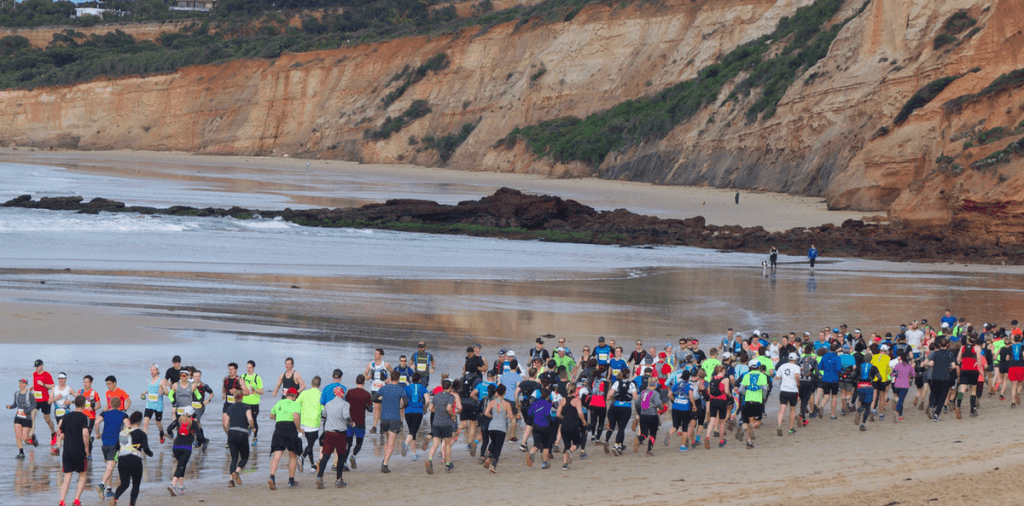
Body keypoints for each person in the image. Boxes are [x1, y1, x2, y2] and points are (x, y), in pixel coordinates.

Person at [113, 411, 153, 506]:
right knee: (136, 484)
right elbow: (146, 449)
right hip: (135, 461)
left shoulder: (123, 433)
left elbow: (116, 447)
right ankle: (131, 504)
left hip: (122, 461)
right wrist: (151, 454)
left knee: (124, 484)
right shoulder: (141, 433)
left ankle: (115, 499)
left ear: (130, 421)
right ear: (140, 421)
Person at [57, 395, 91, 506]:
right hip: (79, 450)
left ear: (74, 403)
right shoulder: (83, 417)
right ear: (84, 404)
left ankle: (62, 501)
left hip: (67, 451)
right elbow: (85, 434)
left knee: (67, 477)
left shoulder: (66, 417)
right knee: (82, 475)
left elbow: (61, 433)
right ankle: (76, 500)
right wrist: (86, 448)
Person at [267, 388, 302, 490]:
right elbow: (296, 417)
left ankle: (272, 476)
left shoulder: (279, 403)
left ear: (286, 395)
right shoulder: (296, 404)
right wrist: (299, 429)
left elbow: (271, 415)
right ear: (295, 396)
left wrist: (279, 417)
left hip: (279, 429)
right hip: (290, 429)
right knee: (292, 455)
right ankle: (291, 480)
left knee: (277, 455)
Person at [317, 386, 351, 489]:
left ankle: (319, 477)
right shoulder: (345, 404)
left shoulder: (328, 404)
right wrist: (351, 423)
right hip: (340, 433)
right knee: (341, 456)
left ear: (334, 393)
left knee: (326, 456)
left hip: (329, 433)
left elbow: (323, 416)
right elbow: (346, 416)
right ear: (343, 393)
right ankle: (338, 479)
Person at [96, 397, 128, 500]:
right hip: (115, 444)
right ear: (120, 405)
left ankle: (109, 489)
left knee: (109, 467)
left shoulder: (104, 413)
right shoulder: (123, 415)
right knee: (110, 467)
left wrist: (97, 433)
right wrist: (123, 436)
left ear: (110, 404)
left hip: (104, 443)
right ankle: (102, 484)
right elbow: (128, 426)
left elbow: (96, 423)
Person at [223, 387, 253, 488]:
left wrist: (229, 432)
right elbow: (250, 419)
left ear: (234, 398)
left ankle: (231, 481)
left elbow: (225, 423)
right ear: (242, 397)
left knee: (234, 458)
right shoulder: (246, 407)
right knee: (244, 457)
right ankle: (237, 471)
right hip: (242, 433)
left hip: (231, 433)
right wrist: (252, 427)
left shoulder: (230, 408)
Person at [377, 371, 407, 473]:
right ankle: (385, 464)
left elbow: (374, 397)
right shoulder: (400, 389)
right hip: (394, 418)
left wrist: (382, 399)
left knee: (387, 439)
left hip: (384, 418)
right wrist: (402, 407)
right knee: (391, 443)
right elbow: (406, 402)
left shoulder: (384, 388)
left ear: (390, 377)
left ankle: (384, 460)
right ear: (398, 379)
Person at [426, 379, 457, 474]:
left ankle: (430, 459)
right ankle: (448, 464)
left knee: (435, 444)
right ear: (450, 387)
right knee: (447, 444)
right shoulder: (451, 396)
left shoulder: (436, 396)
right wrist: (452, 415)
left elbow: (430, 408)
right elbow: (449, 408)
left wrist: (438, 411)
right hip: (446, 423)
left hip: (436, 423)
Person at [166, 408, 199, 496]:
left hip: (176, 446)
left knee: (181, 465)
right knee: (181, 466)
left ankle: (181, 487)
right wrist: (197, 442)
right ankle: (172, 485)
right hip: (186, 448)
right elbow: (200, 436)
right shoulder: (194, 423)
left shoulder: (178, 420)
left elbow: (169, 429)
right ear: (192, 414)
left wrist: (173, 436)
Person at [343, 375, 372, 471]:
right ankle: (354, 455)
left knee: (348, 443)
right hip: (360, 422)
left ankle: (344, 463)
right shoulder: (367, 394)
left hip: (350, 422)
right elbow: (370, 409)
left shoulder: (350, 392)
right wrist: (367, 406)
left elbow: (345, 405)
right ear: (364, 382)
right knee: (359, 443)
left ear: (356, 381)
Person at [482, 384, 511, 473]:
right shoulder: (507, 404)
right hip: (501, 428)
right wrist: (505, 416)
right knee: (498, 447)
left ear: (497, 392)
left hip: (492, 427)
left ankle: (488, 458)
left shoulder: (492, 402)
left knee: (494, 443)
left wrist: (493, 416)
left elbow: (485, 413)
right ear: (505, 392)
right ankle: (493, 465)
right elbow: (511, 417)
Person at [605, 371, 635, 455]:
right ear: (628, 376)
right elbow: (635, 397)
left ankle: (619, 446)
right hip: (626, 407)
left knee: (613, 426)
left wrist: (614, 397)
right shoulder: (631, 384)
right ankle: (616, 445)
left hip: (615, 407)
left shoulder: (617, 383)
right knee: (621, 428)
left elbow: (609, 395)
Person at [923, 338, 954, 421]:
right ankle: (936, 415)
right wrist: (948, 367)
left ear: (939, 345)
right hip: (945, 377)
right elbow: (953, 366)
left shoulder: (935, 353)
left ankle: (932, 406)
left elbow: (931, 363)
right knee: (942, 396)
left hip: (935, 376)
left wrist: (926, 364)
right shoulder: (950, 354)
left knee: (935, 393)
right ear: (947, 345)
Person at [296, 376, 323, 471]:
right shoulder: (321, 394)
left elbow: (297, 403)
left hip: (304, 422)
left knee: (309, 444)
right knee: (310, 444)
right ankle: (302, 457)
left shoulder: (304, 393)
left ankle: (312, 465)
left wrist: (299, 414)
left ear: (311, 384)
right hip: (314, 423)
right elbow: (323, 409)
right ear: (319, 385)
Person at [364, 348, 393, 434]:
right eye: (375, 353)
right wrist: (367, 377)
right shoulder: (370, 364)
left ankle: (382, 425)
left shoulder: (386, 365)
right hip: (374, 388)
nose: (375, 355)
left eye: (377, 354)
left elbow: (393, 373)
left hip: (383, 388)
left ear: (381, 355)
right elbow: (364, 375)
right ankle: (374, 426)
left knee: (381, 408)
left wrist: (389, 379)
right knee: (376, 407)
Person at [740, 362, 768, 449]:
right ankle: (744, 429)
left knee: (750, 421)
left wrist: (746, 394)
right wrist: (764, 397)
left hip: (748, 400)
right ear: (759, 367)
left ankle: (749, 442)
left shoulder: (747, 375)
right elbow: (765, 388)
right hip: (757, 400)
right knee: (758, 423)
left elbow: (741, 389)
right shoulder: (762, 375)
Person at [632, 379, 662, 456]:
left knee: (644, 434)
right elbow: (658, 403)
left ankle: (639, 439)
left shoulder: (643, 392)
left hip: (643, 415)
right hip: (652, 415)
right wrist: (661, 407)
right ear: (655, 385)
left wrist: (639, 412)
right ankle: (648, 451)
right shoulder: (655, 393)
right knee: (653, 434)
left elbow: (636, 402)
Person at [525, 387, 553, 469]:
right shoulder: (548, 404)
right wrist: (552, 422)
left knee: (536, 445)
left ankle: (530, 453)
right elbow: (548, 415)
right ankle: (544, 463)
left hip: (536, 426)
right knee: (546, 446)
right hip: (545, 427)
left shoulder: (535, 403)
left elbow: (530, 413)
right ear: (548, 396)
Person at [402, 372, 428, 461]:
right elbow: (427, 400)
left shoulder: (406, 388)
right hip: (418, 412)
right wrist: (425, 407)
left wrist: (402, 408)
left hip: (408, 412)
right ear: (420, 380)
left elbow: (403, 400)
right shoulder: (423, 388)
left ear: (412, 379)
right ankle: (405, 443)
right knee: (412, 432)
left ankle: (414, 454)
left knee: (412, 432)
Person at [558, 385, 585, 468]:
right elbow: (580, 413)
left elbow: (558, 414)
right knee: (577, 443)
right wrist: (584, 421)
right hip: (574, 424)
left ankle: (565, 465)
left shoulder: (563, 400)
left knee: (566, 444)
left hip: (564, 424)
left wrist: (564, 418)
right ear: (575, 391)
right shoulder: (577, 401)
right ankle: (570, 451)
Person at [667, 370, 695, 451]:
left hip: (675, 407)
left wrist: (674, 399)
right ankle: (682, 446)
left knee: (675, 426)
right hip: (685, 408)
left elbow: (669, 394)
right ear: (688, 377)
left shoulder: (677, 384)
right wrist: (694, 405)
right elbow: (691, 397)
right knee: (685, 428)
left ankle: (669, 434)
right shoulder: (690, 385)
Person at [956, 335, 983, 418]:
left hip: (964, 369)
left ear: (968, 340)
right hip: (973, 370)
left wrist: (964, 361)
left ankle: (958, 406)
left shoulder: (963, 347)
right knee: (973, 390)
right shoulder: (977, 348)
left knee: (962, 389)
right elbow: (978, 359)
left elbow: (958, 359)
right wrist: (980, 369)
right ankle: (972, 409)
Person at [704, 365, 731, 449]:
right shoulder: (725, 379)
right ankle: (721, 440)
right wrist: (730, 395)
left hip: (713, 400)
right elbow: (726, 391)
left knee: (712, 420)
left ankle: (707, 436)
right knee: (722, 422)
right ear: (723, 370)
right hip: (722, 400)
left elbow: (709, 391)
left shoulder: (712, 379)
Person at [8, 378, 36, 458]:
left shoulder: (29, 394)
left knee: (24, 437)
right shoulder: (16, 393)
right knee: (17, 435)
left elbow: (34, 405)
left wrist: (27, 410)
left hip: (27, 418)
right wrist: (10, 407)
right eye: (20, 383)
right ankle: (21, 452)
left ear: (26, 385)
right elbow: (15, 404)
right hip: (18, 417)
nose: (21, 385)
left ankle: (32, 438)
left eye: (23, 383)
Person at [140, 365, 168, 443]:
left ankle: (161, 433)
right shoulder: (148, 380)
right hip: (149, 405)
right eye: (151, 370)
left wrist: (163, 392)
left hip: (158, 406)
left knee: (158, 424)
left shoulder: (161, 381)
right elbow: (150, 390)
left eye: (154, 370)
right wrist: (143, 393)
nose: (152, 371)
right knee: (145, 423)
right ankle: (144, 441)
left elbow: (167, 392)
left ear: (158, 371)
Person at [775, 353, 801, 437]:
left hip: (783, 390)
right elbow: (796, 376)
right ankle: (790, 428)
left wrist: (784, 377)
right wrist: (798, 383)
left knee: (782, 409)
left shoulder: (782, 366)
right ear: (796, 359)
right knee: (792, 409)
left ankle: (779, 425)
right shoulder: (797, 367)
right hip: (792, 390)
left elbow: (777, 376)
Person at [31, 359, 55, 448]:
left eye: (38, 367)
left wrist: (43, 384)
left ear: (42, 366)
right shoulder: (34, 374)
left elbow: (52, 386)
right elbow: (35, 384)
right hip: (36, 400)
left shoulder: (47, 374)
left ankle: (53, 433)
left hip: (45, 400)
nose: (36, 368)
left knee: (47, 420)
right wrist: (31, 388)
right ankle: (32, 435)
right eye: (35, 367)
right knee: (32, 417)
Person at [854, 353, 881, 431]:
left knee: (862, 403)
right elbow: (879, 376)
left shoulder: (859, 366)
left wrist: (856, 379)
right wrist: (878, 379)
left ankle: (859, 411)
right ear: (871, 359)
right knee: (867, 407)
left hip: (860, 387)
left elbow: (853, 374)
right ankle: (863, 423)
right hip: (869, 386)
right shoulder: (873, 367)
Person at [78, 375, 102, 456]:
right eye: (84, 382)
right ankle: (83, 450)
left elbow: (99, 405)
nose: (85, 384)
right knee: (80, 435)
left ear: (91, 383)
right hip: (80, 416)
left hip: (90, 417)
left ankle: (89, 453)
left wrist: (93, 408)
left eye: (87, 382)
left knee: (86, 435)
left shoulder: (94, 393)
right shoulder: (80, 392)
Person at [50, 372, 74, 456]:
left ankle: (58, 447)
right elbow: (49, 401)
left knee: (59, 427)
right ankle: (66, 446)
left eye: (63, 378)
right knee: (63, 432)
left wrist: (71, 402)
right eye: (59, 378)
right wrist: (56, 398)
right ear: (57, 379)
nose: (61, 380)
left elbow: (79, 398)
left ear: (65, 379)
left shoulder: (69, 389)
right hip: (57, 412)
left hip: (66, 412)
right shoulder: (54, 389)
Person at [241, 361, 264, 444]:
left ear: (253, 367)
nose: (248, 369)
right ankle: (246, 434)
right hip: (244, 402)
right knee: (245, 420)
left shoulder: (257, 378)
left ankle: (255, 437)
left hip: (254, 402)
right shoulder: (243, 377)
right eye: (247, 367)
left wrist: (254, 390)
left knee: (253, 420)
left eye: (250, 367)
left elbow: (261, 391)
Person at [891, 352, 916, 423]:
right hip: (905, 385)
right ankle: (896, 412)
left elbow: (893, 373)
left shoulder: (898, 365)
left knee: (900, 400)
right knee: (901, 400)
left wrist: (896, 374)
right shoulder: (909, 366)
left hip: (897, 384)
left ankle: (901, 416)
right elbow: (914, 374)